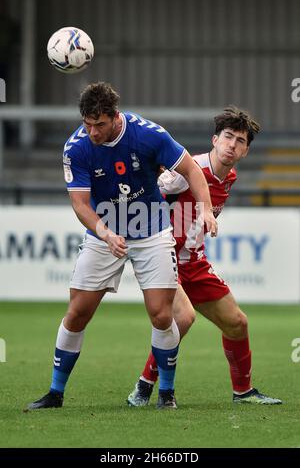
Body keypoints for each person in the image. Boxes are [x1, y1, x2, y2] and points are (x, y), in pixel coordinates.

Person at [28, 81, 217, 410]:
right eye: (87, 124)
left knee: (161, 315)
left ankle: (166, 394)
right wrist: (104, 233)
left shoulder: (148, 134)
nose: (92, 132)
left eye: (99, 124)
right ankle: (55, 393)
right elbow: (80, 204)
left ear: (115, 118)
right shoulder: (76, 147)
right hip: (105, 235)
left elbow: (191, 170)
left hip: (153, 231)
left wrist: (206, 210)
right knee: (77, 313)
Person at [127, 106, 282, 406]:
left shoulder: (230, 177)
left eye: (240, 141)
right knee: (183, 319)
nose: (232, 145)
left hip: (194, 262)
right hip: (164, 257)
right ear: (214, 139)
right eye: (227, 137)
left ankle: (243, 392)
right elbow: (147, 196)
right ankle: (144, 388)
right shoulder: (188, 172)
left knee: (238, 323)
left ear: (246, 151)